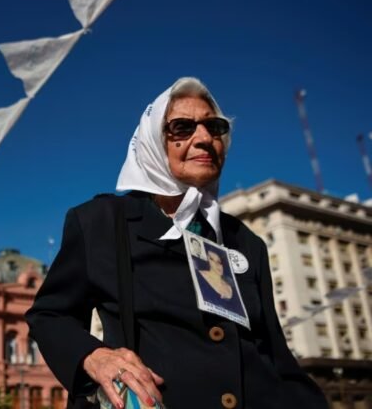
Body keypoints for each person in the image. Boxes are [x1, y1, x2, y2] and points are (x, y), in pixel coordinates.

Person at [26, 77, 327, 409]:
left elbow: (277, 358)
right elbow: (50, 314)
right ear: (154, 141)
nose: (204, 139)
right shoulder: (102, 222)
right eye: (182, 127)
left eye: (215, 127)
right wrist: (95, 357)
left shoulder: (246, 242)